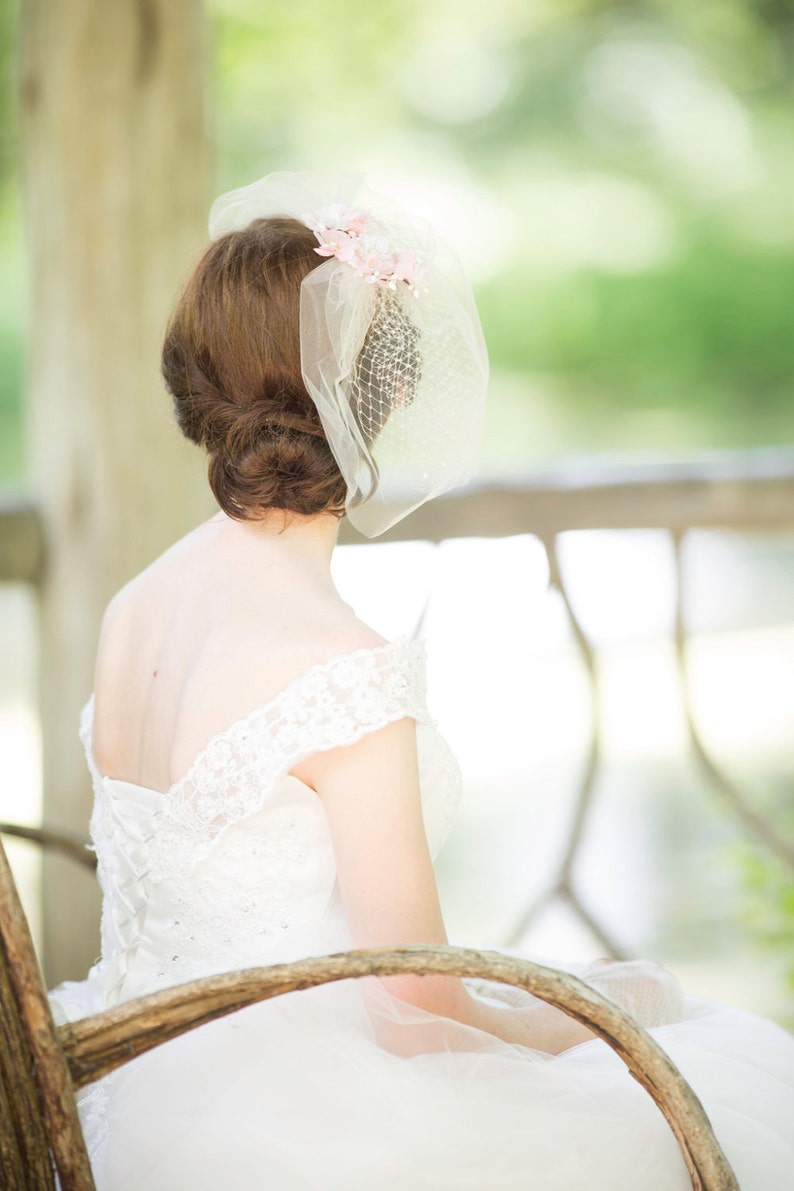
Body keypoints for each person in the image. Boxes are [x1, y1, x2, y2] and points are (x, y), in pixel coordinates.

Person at [49, 170, 794, 1190]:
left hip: (118, 1072)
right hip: (286, 1124)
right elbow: (414, 1018)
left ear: (193, 384)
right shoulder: (337, 666)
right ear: (382, 399)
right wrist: (596, 1011)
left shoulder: (136, 601)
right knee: (705, 1052)